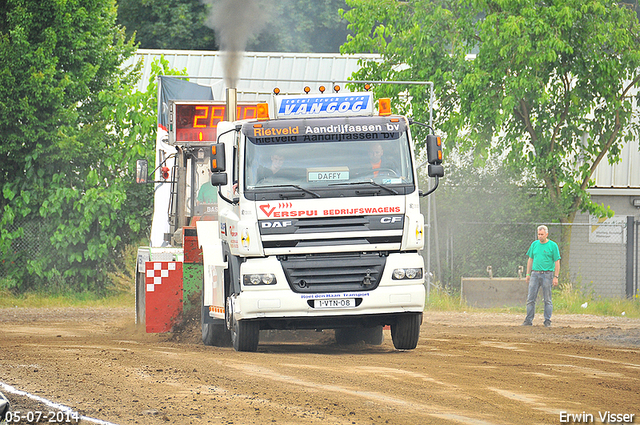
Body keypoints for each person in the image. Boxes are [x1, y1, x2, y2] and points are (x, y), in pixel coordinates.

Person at [522, 225, 561, 327]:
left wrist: (556, 277)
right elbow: (530, 259)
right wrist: (528, 274)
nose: (540, 236)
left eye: (542, 234)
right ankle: (528, 320)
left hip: (547, 274)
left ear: (546, 234)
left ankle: (547, 320)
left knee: (547, 299)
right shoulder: (534, 245)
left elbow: (557, 261)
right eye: (538, 234)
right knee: (531, 298)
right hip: (535, 274)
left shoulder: (553, 246)